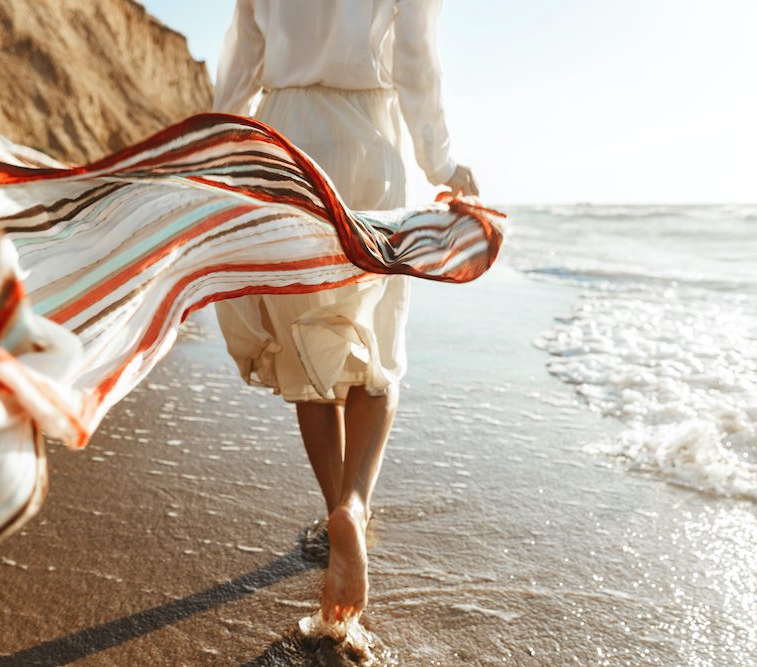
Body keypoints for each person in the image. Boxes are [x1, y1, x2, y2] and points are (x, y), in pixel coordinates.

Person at [213, 0, 478, 626]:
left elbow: (242, 61)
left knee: (309, 346)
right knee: (375, 349)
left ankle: (333, 506)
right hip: (370, 136)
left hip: (286, 140)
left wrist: (222, 145)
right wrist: (441, 164)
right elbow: (416, 59)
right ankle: (355, 507)